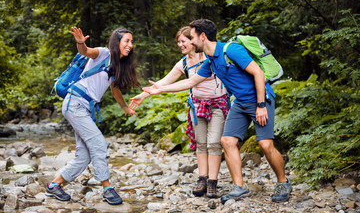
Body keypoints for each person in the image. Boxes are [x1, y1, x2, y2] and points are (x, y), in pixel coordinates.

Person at [143, 19, 292, 204]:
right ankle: (239, 187)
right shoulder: (211, 61)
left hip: (260, 100)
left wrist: (261, 105)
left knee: (265, 145)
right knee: (227, 141)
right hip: (240, 103)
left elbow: (258, 74)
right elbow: (190, 82)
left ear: (203, 37)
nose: (190, 41)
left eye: (192, 37)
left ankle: (283, 182)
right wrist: (160, 89)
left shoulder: (230, 51)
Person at [129, 26, 228, 198]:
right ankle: (202, 179)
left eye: (183, 41)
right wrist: (143, 95)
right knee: (201, 143)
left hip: (217, 104)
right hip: (196, 107)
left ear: (193, 40)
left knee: (213, 143)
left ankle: (213, 182)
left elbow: (187, 83)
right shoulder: (182, 63)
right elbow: (163, 82)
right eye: (178, 42)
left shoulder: (209, 57)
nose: (180, 45)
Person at [45, 27, 140, 205]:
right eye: (127, 41)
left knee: (84, 156)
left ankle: (54, 186)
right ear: (117, 42)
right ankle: (107, 188)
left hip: (83, 108)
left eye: (131, 42)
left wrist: (126, 108)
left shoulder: (115, 65)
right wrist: (81, 42)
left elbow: (115, 89)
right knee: (98, 143)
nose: (130, 45)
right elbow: (86, 51)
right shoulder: (103, 53)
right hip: (75, 103)